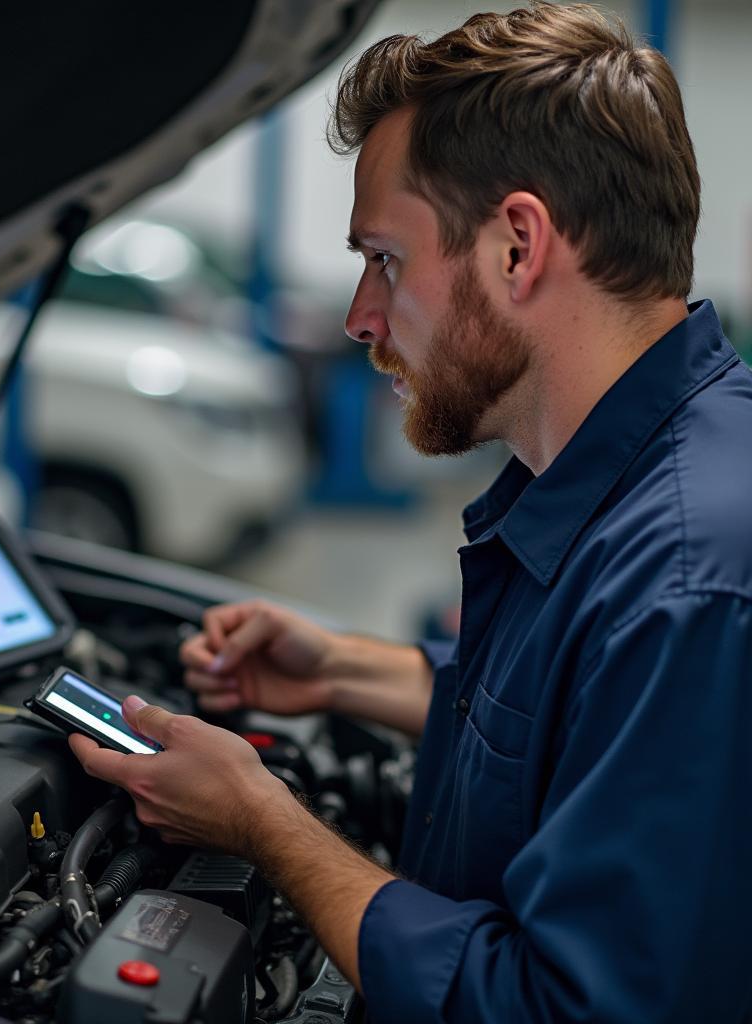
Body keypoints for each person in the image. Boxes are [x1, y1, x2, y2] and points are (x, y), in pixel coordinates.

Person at [69, 3, 752, 1020]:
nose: (359, 315)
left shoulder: (692, 578)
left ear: (517, 247)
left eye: (383, 257)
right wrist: (344, 668)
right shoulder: (624, 484)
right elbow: (579, 727)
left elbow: (558, 1007)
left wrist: (263, 822)